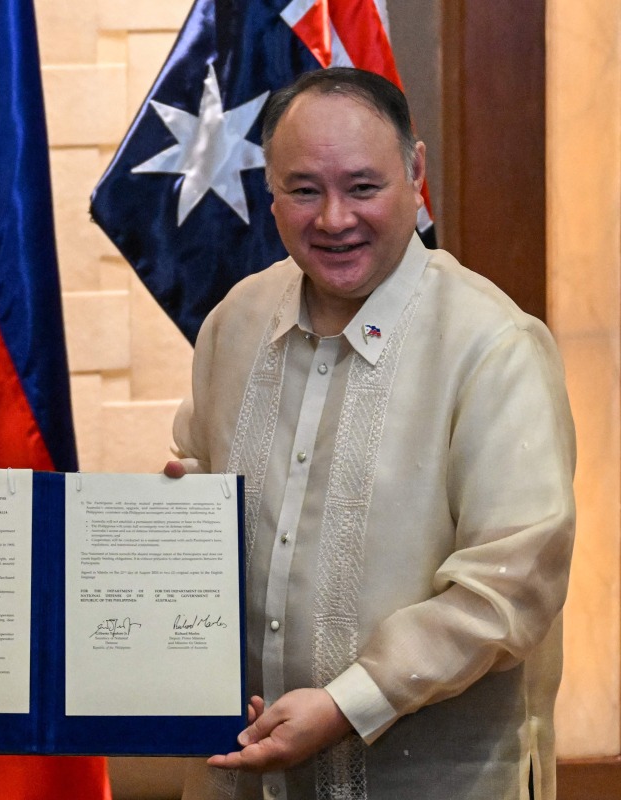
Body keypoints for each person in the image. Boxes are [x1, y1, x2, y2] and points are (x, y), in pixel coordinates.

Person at [167, 67, 575, 799]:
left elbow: (511, 589)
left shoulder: (493, 346)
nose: (332, 219)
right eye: (302, 190)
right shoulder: (234, 323)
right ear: (269, 191)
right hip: (241, 777)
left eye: (362, 187)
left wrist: (347, 704)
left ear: (416, 173)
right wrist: (172, 528)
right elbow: (193, 479)